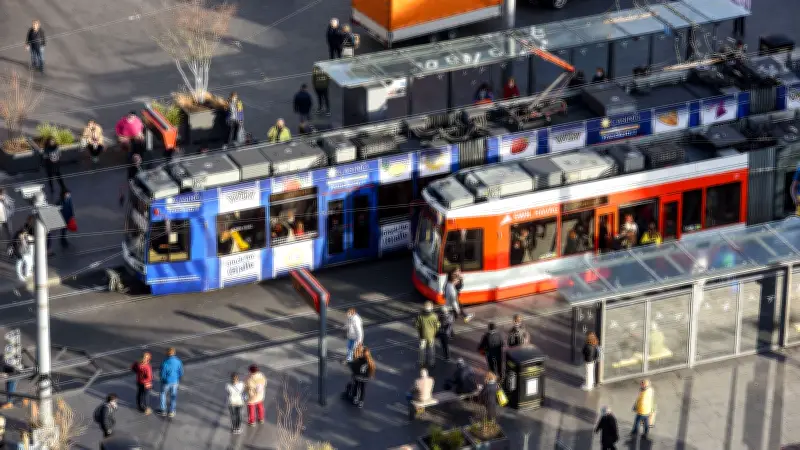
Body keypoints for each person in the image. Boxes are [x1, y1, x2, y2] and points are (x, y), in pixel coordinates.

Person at [159, 347, 184, 417]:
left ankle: (163, 410)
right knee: (173, 396)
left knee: (163, 394)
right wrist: (177, 378)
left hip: (166, 382)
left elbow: (162, 374)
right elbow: (181, 372)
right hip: (175, 381)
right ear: (174, 353)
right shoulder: (178, 361)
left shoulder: (165, 362)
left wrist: (163, 379)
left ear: (167, 353)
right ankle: (171, 411)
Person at [415, 301, 440, 369]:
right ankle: (431, 363)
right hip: (431, 336)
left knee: (422, 349)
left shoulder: (420, 316)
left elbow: (417, 325)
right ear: (431, 308)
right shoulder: (434, 316)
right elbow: (437, 325)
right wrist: (434, 332)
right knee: (431, 350)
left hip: (422, 336)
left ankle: (422, 362)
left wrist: (420, 332)